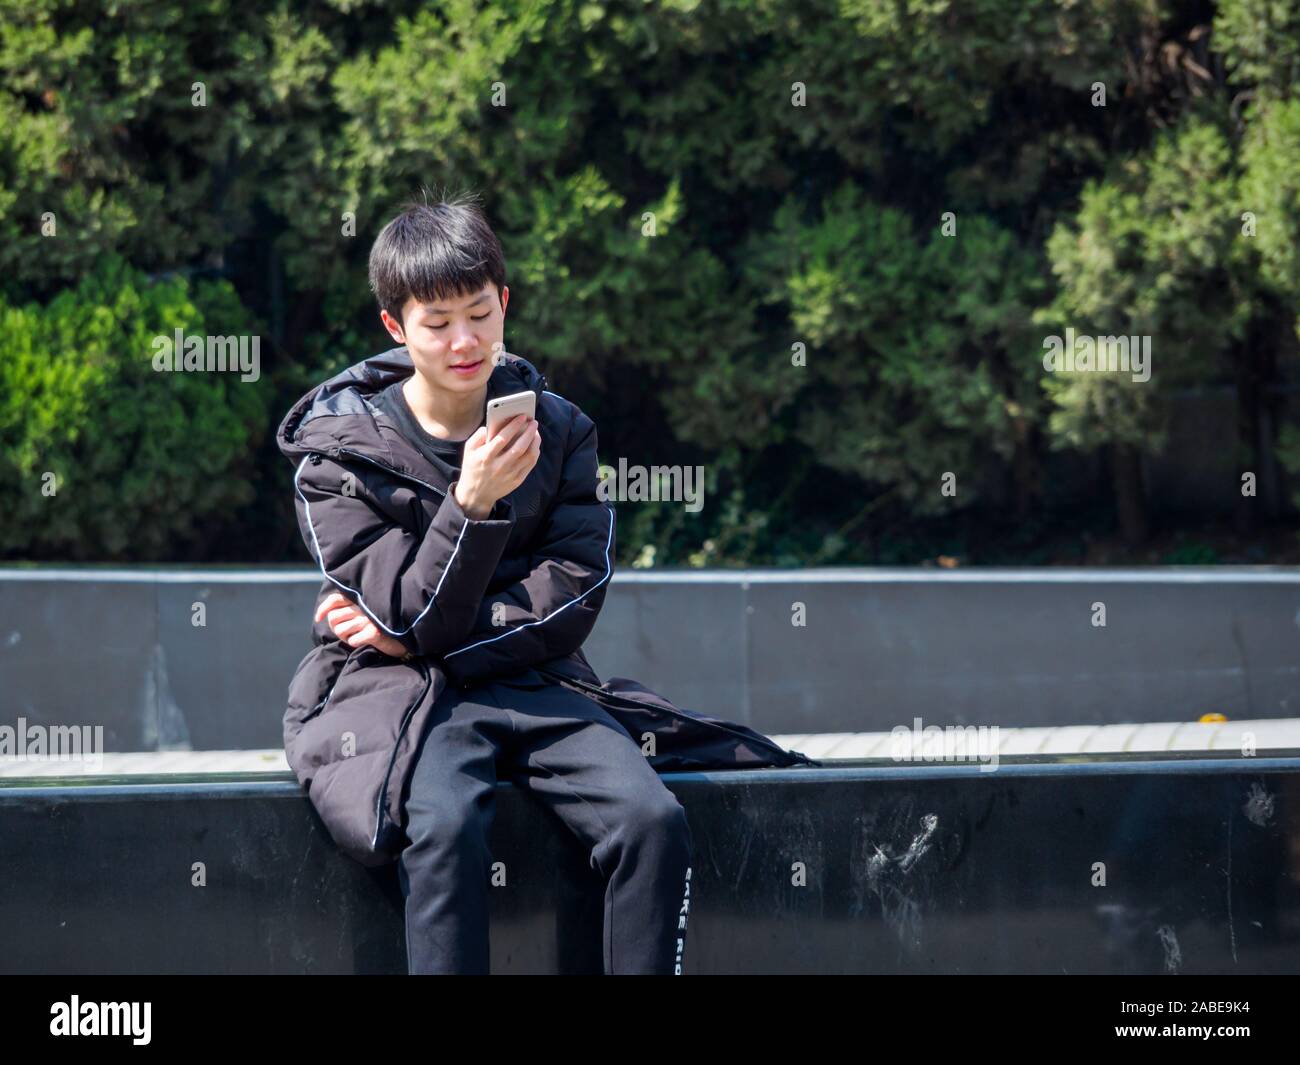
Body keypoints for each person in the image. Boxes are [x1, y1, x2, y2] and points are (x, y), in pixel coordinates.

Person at [276, 191, 817, 975]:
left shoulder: (559, 430)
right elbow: (397, 606)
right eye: (437, 322)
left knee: (652, 820)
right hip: (396, 695)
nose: (465, 340)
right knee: (445, 826)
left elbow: (567, 597)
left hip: (530, 678)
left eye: (480, 312)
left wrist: (422, 635)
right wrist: (470, 504)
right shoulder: (339, 456)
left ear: (505, 302)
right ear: (396, 327)